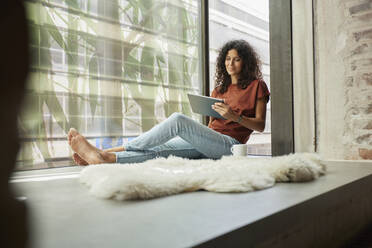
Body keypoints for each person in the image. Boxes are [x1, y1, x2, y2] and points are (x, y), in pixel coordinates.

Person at [68, 39, 270, 165]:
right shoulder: (219, 90)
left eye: (236, 59)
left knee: (178, 121)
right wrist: (202, 134)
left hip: (230, 147)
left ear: (245, 62)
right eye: (227, 59)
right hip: (210, 141)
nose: (230, 63)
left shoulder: (257, 86)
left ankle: (101, 153)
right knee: (161, 147)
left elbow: (260, 125)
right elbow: (211, 125)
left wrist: (235, 117)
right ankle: (104, 156)